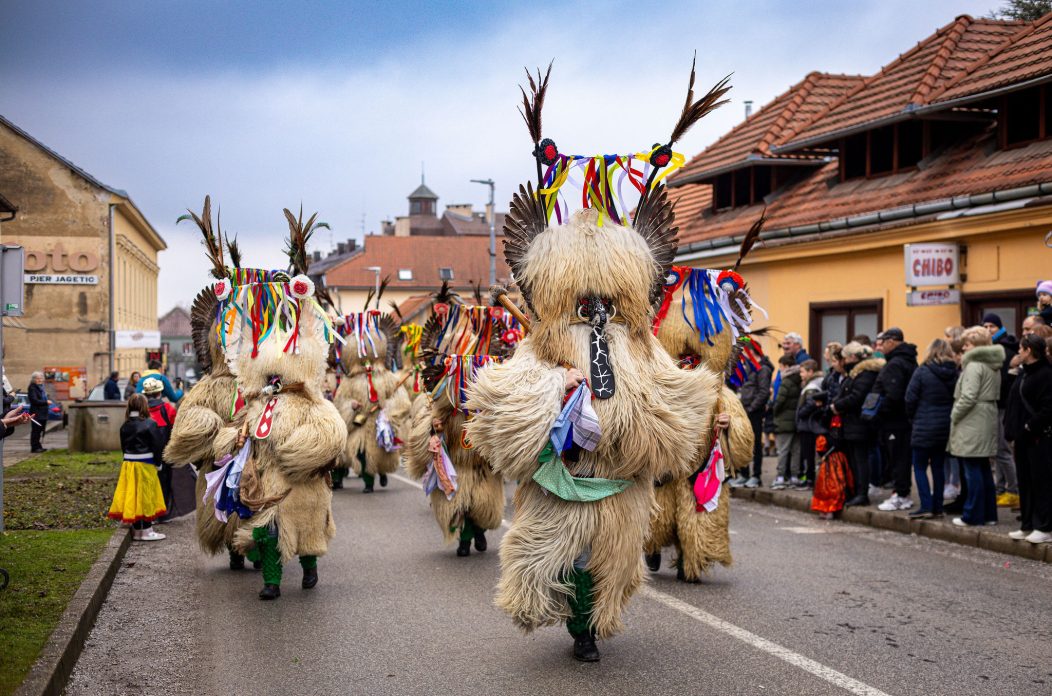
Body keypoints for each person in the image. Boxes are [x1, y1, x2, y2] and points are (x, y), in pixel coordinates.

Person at [949, 327, 1003, 528]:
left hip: (972, 419)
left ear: (977, 345)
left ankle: (972, 514)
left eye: (968, 344)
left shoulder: (973, 365)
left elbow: (968, 396)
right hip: (986, 415)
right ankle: (989, 514)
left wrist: (955, 414)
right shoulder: (992, 364)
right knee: (983, 468)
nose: (964, 347)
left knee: (972, 468)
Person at [1003, 334, 1052, 544]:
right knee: (1026, 481)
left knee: (1041, 482)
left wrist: (1029, 426)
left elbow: (1048, 408)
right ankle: (1028, 524)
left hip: (1038, 438)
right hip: (1022, 439)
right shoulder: (1024, 373)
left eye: (1021, 349)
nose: (1018, 353)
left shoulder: (1045, 375)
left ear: (1029, 351)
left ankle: (1045, 526)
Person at [904, 339, 958, 519]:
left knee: (919, 466)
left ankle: (926, 505)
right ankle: (938, 506)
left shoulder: (922, 371)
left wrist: (913, 418)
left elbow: (910, 399)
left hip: (923, 424)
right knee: (938, 467)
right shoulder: (954, 372)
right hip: (945, 426)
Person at [107, 394, 167, 541]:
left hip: (128, 464)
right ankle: (146, 530)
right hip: (146, 464)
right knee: (146, 495)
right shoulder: (150, 423)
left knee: (133, 495)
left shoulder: (124, 425)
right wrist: (158, 463)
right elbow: (157, 446)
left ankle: (137, 530)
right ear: (144, 406)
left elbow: (123, 448)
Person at [832, 342, 884, 507]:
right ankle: (856, 492)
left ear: (853, 357)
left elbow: (857, 397)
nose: (844, 361)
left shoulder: (865, 374)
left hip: (859, 424)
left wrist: (837, 406)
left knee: (860, 460)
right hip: (853, 424)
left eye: (846, 358)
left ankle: (861, 494)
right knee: (855, 459)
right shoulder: (858, 373)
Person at [871, 328, 918, 512]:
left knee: (899, 457)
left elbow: (894, 395)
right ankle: (900, 492)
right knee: (900, 457)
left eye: (882, 342)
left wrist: (879, 410)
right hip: (901, 418)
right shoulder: (906, 359)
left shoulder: (896, 364)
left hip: (895, 420)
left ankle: (901, 494)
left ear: (893, 341)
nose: (879, 346)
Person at [983, 313, 1020, 509]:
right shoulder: (992, 348)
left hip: (1003, 404)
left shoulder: (1003, 350)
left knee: (1002, 450)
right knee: (998, 450)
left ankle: (1013, 490)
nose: (988, 329)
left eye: (992, 326)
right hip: (997, 404)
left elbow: (1005, 381)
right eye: (985, 326)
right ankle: (1001, 489)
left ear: (999, 328)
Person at [142, 377, 177, 520]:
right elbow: (175, 430)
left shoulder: (141, 410)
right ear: (160, 393)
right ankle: (161, 513)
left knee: (147, 482)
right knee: (164, 481)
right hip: (164, 453)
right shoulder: (168, 408)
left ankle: (148, 511)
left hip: (144, 453)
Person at [737, 352, 773, 488]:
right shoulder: (747, 367)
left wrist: (751, 408)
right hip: (744, 410)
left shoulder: (763, 369)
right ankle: (744, 474)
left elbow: (764, 392)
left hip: (754, 413)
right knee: (743, 443)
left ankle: (756, 476)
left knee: (756, 444)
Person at [771, 354, 802, 489]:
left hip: (784, 420)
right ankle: (794, 477)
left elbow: (780, 401)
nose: (780, 370)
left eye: (781, 367)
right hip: (796, 420)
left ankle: (780, 477)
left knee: (783, 450)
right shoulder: (799, 378)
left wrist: (774, 411)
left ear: (787, 366)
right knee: (795, 450)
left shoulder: (786, 380)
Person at [795, 359, 825, 488]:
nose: (800, 374)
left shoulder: (812, 387)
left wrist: (801, 413)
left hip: (808, 425)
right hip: (806, 424)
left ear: (810, 372)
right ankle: (808, 477)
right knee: (807, 454)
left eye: (802, 372)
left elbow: (811, 403)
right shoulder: (809, 384)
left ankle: (810, 479)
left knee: (809, 454)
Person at [27, 371, 50, 453]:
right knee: (36, 431)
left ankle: (38, 446)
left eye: (41, 378)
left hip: (42, 413)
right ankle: (34, 448)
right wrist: (46, 402)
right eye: (37, 378)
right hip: (36, 413)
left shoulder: (41, 387)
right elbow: (34, 400)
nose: (40, 380)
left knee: (40, 430)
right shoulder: (32, 387)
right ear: (34, 379)